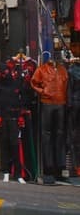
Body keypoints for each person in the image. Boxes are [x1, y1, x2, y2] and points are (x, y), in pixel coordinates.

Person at [31, 52, 68, 185]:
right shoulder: (42, 69)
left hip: (61, 103)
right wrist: (43, 92)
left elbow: (67, 85)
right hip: (47, 103)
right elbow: (33, 82)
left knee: (59, 134)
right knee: (46, 134)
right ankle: (49, 168)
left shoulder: (63, 70)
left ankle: (59, 167)